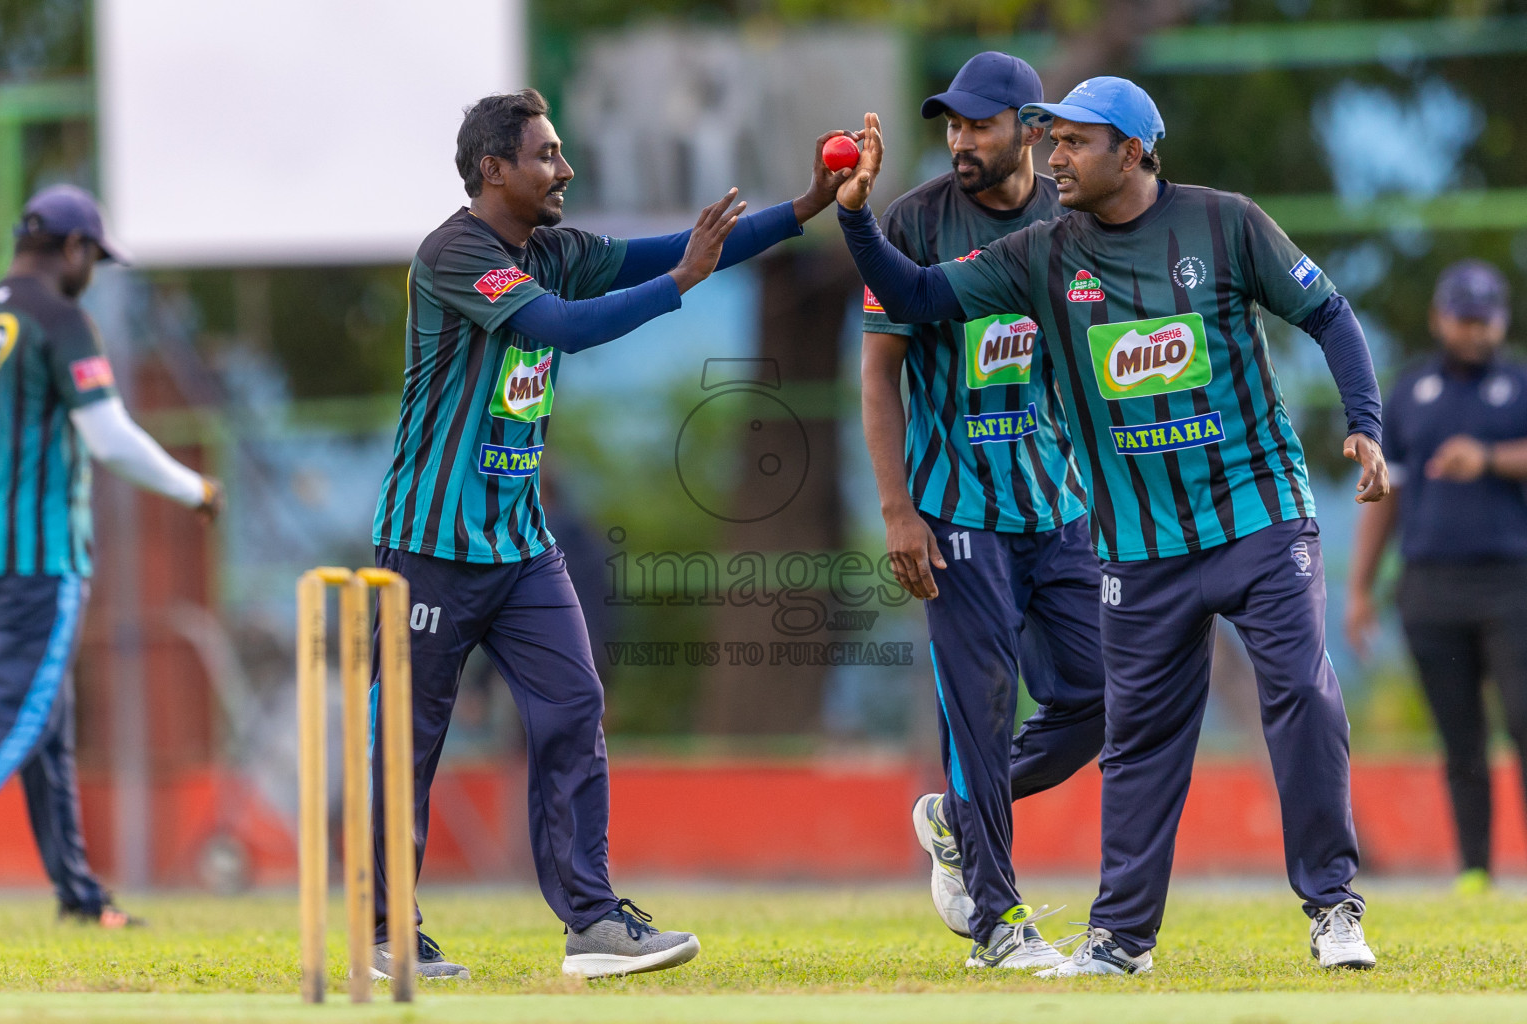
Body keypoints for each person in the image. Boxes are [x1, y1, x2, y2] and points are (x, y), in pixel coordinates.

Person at [833, 76, 1388, 974]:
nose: (1054, 157)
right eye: (1048, 141)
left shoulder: (1226, 223)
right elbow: (919, 294)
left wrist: (1363, 419)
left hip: (1258, 515)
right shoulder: (1040, 253)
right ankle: (1121, 939)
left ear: (1131, 151)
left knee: (1303, 696)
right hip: (1137, 545)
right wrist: (858, 221)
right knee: (1136, 743)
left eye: (1074, 143)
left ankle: (1333, 907)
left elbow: (1327, 312)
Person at [367, 89, 853, 981]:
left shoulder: (553, 249)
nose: (566, 169)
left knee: (573, 709)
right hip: (430, 547)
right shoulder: (456, 253)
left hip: (520, 546)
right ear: (494, 171)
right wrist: (677, 289)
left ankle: (591, 922)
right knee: (409, 739)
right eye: (547, 155)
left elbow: (678, 250)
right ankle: (383, 930)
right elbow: (559, 326)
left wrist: (803, 211)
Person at [859, 52, 1104, 970]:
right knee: (982, 709)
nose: (960, 140)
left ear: (1031, 132)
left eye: (979, 124)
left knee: (1103, 697)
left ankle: (955, 818)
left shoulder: (1073, 218)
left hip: (1060, 506)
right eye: (951, 126)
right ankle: (999, 925)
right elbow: (879, 374)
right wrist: (897, 510)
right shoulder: (915, 220)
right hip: (955, 509)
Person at [0, 184, 223, 927]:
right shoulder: (59, 320)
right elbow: (108, 436)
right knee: (10, 721)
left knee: (46, 731)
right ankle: (81, 896)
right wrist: (195, 490)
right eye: (95, 258)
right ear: (74, 249)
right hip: (39, 563)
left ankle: (80, 897)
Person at [1347, 259, 1527, 896]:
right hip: (1429, 588)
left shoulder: (1519, 384)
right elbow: (1384, 494)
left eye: (1485, 319)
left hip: (1511, 585)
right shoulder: (1409, 393)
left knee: (1524, 721)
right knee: (1461, 739)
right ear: (1440, 318)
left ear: (1500, 321)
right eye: (1463, 318)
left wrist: (1489, 459)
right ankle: (1475, 870)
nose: (1474, 331)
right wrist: (1360, 589)